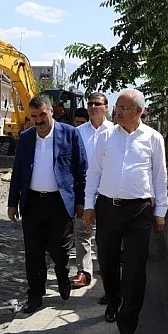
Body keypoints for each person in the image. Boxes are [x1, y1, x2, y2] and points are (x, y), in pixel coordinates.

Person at [82, 89, 168, 334]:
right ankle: (113, 299)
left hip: (139, 212)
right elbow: (94, 172)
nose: (116, 112)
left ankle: (127, 326)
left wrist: (161, 211)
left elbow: (159, 177)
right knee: (107, 263)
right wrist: (88, 205)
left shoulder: (154, 139)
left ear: (139, 111)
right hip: (107, 208)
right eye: (116, 107)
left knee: (134, 270)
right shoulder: (106, 137)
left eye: (123, 108)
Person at [7, 95, 87, 314]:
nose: (39, 120)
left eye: (42, 114)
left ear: (51, 111)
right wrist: (12, 202)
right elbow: (19, 172)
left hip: (59, 204)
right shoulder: (25, 137)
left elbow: (81, 170)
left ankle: (62, 274)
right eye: (34, 116)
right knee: (33, 253)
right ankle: (35, 296)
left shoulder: (70, 134)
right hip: (32, 203)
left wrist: (81, 201)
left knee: (60, 250)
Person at [71, 92, 113, 292]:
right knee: (82, 232)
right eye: (90, 103)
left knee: (105, 237)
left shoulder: (115, 131)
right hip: (84, 190)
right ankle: (84, 272)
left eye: (97, 103)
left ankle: (108, 276)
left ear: (106, 106)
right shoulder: (78, 132)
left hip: (108, 190)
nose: (93, 107)